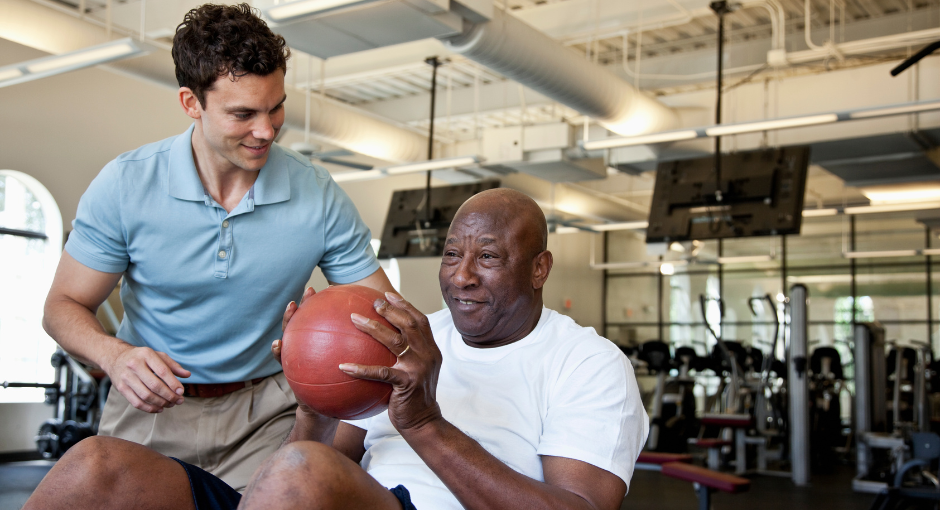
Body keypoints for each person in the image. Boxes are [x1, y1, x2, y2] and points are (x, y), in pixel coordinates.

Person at [26, 188, 647, 510]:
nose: (461, 276)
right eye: (453, 255)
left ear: (539, 269)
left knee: (304, 474)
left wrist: (425, 423)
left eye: (488, 258)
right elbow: (312, 465)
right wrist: (314, 399)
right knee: (98, 465)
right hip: (340, 500)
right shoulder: (406, 337)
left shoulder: (588, 365)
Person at [37, 2, 394, 494]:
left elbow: (383, 313)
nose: (266, 130)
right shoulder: (126, 184)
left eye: (275, 107)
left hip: (267, 411)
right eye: (243, 114)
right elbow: (62, 307)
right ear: (191, 103)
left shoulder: (317, 192)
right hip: (152, 408)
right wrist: (116, 356)